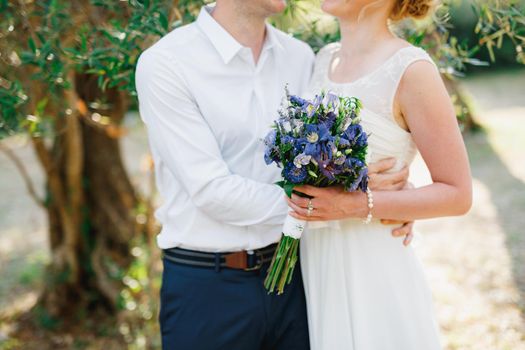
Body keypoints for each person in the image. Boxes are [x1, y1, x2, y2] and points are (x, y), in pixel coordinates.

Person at [135, 1, 415, 349]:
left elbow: (335, 150)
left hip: (298, 281)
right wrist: (339, 204)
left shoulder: (301, 58)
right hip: (209, 290)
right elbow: (212, 191)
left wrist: (389, 198)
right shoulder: (166, 64)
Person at [286, 0, 473, 349]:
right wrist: (398, 199)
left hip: (376, 266)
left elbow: (458, 193)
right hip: (318, 264)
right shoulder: (323, 59)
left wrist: (361, 204)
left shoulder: (411, 69)